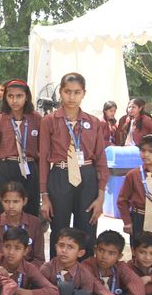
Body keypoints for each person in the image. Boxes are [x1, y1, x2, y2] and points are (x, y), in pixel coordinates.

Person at [38, 72, 108, 258]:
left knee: (87, 228)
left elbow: (101, 160)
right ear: (60, 92)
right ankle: (56, 269)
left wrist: (101, 196)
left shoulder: (93, 122)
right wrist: (44, 196)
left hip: (87, 176)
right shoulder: (49, 121)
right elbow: (43, 159)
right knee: (59, 227)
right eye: (67, 91)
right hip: (60, 175)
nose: (72, 97)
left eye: (77, 92)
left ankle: (85, 270)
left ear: (84, 93)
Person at [0, 79, 43, 216]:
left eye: (19, 96)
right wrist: (6, 165)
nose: (14, 100)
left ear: (27, 97)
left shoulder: (36, 119)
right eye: (10, 96)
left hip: (30, 167)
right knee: (5, 210)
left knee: (30, 209)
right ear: (5, 97)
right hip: (6, 168)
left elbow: (42, 148)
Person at [0, 182, 43, 263]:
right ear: (1, 201)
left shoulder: (35, 223)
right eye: (6, 201)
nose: (11, 206)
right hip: (4, 268)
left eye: (16, 201)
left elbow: (39, 259)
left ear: (24, 201)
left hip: (31, 267)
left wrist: (27, 270)